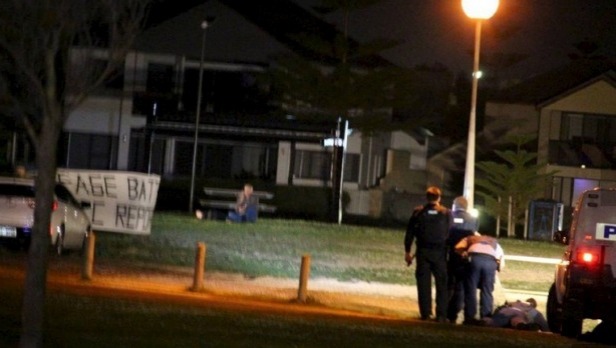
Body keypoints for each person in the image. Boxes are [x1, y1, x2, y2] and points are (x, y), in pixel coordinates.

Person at [404, 186, 451, 322]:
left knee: (423, 284)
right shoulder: (446, 213)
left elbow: (410, 233)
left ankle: (426, 313)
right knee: (442, 284)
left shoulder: (418, 213)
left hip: (423, 252)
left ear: (427, 197)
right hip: (440, 253)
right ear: (439, 198)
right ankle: (441, 315)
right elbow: (449, 232)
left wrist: (407, 252)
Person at [455, 233, 505, 324]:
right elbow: (501, 262)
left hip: (475, 259)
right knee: (487, 291)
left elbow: (458, 247)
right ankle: (486, 317)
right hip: (490, 261)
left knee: (471, 290)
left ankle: (470, 317)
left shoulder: (470, 238)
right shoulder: (494, 242)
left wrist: (464, 254)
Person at [446, 196, 478, 323]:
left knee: (448, 284)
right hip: (464, 256)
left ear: (455, 205)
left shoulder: (449, 215)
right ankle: (454, 313)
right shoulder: (474, 220)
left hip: (450, 254)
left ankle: (444, 312)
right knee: (460, 286)